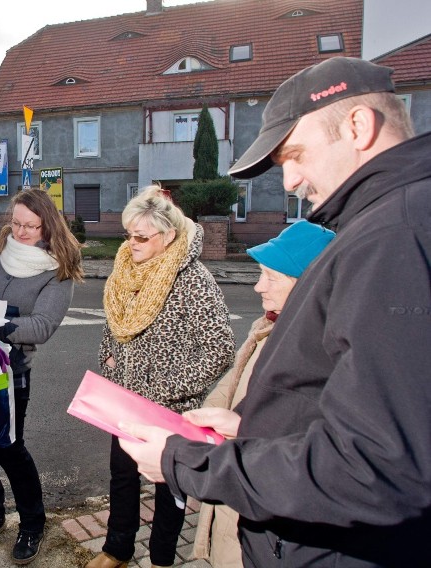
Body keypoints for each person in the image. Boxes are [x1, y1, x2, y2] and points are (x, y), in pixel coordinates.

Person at [118, 57, 431, 566]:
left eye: (297, 154)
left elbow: (377, 466)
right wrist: (255, 426)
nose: (288, 181)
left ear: (357, 126)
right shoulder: (386, 222)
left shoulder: (397, 234)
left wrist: (188, 461)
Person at [86, 187, 235, 568]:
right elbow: (115, 320)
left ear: (167, 236)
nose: (131, 243)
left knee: (169, 485)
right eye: (128, 234)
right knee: (122, 475)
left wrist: (163, 388)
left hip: (171, 407)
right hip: (125, 399)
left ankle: (162, 559)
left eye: (141, 236)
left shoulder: (192, 279)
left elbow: (219, 349)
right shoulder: (125, 268)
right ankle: (118, 548)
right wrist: (109, 359)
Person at [190, 220, 335, 568]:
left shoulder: (315, 351)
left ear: (308, 285)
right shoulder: (272, 325)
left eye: (271, 277)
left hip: (260, 517)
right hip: (240, 487)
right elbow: (235, 383)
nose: (258, 286)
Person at [0, 189, 83, 565]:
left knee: (8, 449)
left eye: (31, 225)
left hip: (12, 371)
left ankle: (32, 523)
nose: (22, 231)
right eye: (16, 222)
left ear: (47, 224)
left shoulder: (57, 270)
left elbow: (43, 325)